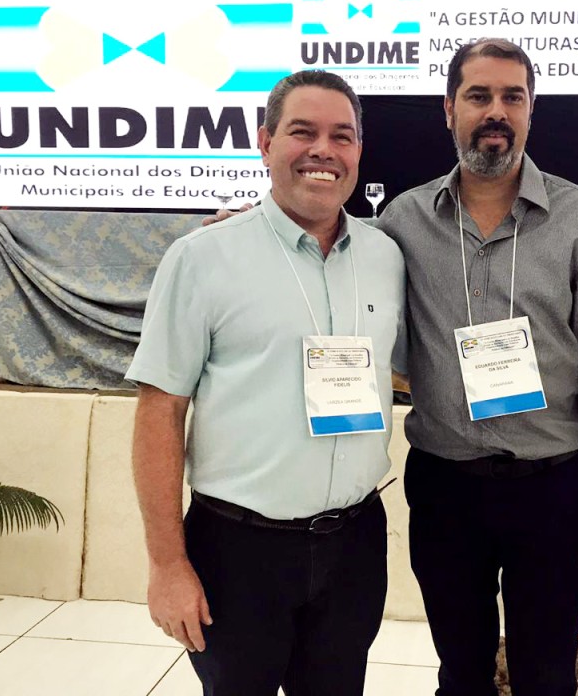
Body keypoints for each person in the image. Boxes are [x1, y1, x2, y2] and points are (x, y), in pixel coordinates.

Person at [126, 70, 406, 696]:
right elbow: (160, 411)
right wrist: (167, 564)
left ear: (358, 150)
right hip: (238, 551)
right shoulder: (203, 258)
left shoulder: (385, 257)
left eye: (342, 136)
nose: (323, 150)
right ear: (265, 142)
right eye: (303, 132)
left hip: (355, 545)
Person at [378, 38, 578, 696]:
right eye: (479, 96)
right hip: (444, 491)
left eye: (512, 97)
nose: (496, 111)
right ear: (449, 109)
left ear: (530, 110)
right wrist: (251, 227)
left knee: (546, 678)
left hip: (548, 492)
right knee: (460, 674)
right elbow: (338, 276)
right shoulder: (403, 221)